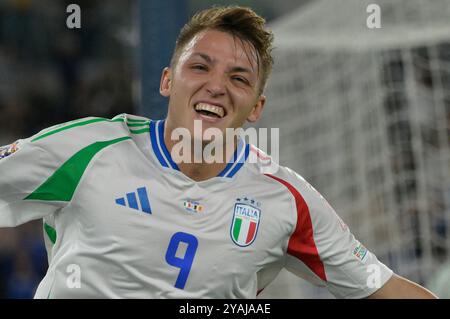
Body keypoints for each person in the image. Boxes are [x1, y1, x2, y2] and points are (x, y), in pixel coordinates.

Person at [0, 6, 437, 299]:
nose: (217, 86)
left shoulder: (285, 201)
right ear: (168, 81)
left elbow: (384, 289)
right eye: (200, 66)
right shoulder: (88, 149)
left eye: (240, 78)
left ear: (256, 108)